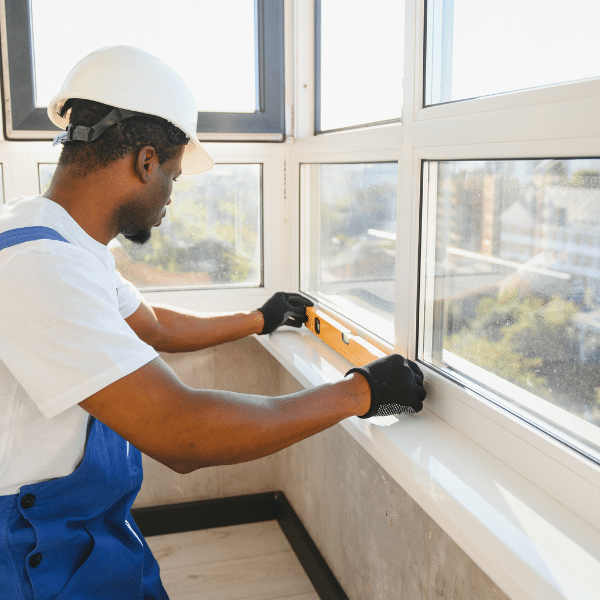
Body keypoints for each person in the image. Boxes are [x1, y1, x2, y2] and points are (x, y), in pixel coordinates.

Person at [0, 46, 426, 599]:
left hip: (80, 527)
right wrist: (361, 392)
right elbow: (183, 435)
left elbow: (154, 327)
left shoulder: (54, 236)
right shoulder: (40, 268)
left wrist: (260, 318)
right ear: (146, 162)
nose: (170, 198)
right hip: (29, 550)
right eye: (173, 177)